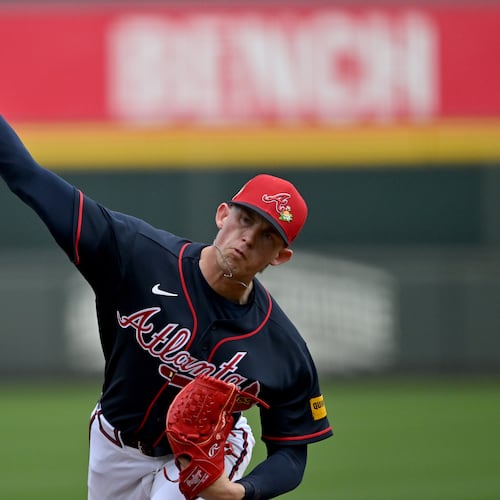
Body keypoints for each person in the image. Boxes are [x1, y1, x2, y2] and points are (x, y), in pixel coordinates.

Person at [0, 114, 333, 499]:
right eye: (244, 220)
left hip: (203, 455)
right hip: (114, 445)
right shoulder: (136, 254)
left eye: (266, 236)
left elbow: (292, 450)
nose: (247, 238)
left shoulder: (282, 347)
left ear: (280, 256)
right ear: (223, 214)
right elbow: (28, 176)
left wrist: (243, 492)